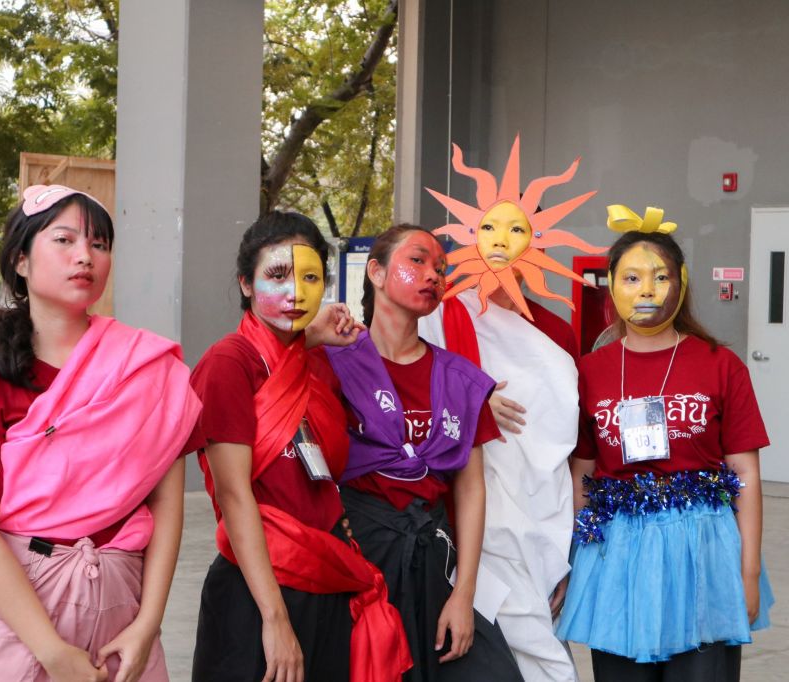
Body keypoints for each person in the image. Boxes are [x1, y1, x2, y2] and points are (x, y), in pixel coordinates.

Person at [0, 184, 203, 682]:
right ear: (20, 260)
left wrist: (148, 624)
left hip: (121, 612)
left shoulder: (146, 370)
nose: (85, 256)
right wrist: (52, 652)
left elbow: (166, 506)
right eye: (64, 240)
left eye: (99, 244)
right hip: (14, 615)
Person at [190, 211, 410, 682]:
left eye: (310, 277)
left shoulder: (318, 363)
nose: (295, 291)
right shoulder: (228, 363)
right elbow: (233, 495)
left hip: (328, 577)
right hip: (259, 589)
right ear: (246, 284)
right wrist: (274, 619)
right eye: (277, 275)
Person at [557, 205, 775, 681]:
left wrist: (748, 572)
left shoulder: (720, 364)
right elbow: (582, 474)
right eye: (632, 278)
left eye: (660, 277)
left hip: (704, 552)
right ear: (611, 285)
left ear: (682, 284)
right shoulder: (589, 371)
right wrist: (570, 561)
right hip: (616, 555)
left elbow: (745, 472)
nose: (647, 290)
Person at [420, 137, 604, 682]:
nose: (502, 243)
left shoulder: (558, 333)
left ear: (539, 241)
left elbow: (572, 445)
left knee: (542, 646)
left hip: (542, 516)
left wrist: (571, 545)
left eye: (518, 231)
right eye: (490, 230)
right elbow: (409, 401)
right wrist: (471, 398)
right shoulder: (441, 319)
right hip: (467, 511)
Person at [325, 225, 524, 682]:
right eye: (417, 261)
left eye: (441, 268)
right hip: (359, 558)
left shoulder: (459, 378)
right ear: (376, 272)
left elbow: (470, 489)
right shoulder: (334, 363)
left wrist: (464, 594)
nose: (433, 274)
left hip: (434, 557)